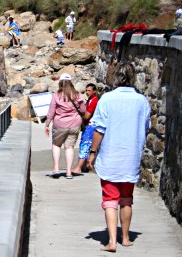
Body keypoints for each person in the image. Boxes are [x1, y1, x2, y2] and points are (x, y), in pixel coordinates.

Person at [87, 62, 150, 253]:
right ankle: (126, 238)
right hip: (130, 156)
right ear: (133, 77)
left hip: (110, 156)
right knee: (126, 198)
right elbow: (145, 127)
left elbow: (99, 129)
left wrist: (92, 152)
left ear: (116, 77)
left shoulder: (107, 99)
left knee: (110, 199)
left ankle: (112, 241)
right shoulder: (142, 101)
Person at [44, 73, 85, 179]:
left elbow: (51, 112)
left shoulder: (56, 95)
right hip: (75, 124)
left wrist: (47, 125)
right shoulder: (77, 95)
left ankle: (56, 169)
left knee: (56, 145)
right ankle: (68, 172)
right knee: (69, 147)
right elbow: (84, 110)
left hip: (60, 124)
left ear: (60, 82)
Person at [72, 84, 98, 175]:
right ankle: (84, 166)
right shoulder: (90, 100)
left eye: (89, 90)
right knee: (84, 144)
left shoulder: (94, 101)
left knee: (85, 145)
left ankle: (79, 167)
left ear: (94, 91)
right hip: (88, 126)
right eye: (86, 90)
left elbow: (87, 115)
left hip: (90, 126)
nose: (87, 92)